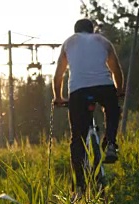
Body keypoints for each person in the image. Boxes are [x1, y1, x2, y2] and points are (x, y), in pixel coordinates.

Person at [53, 18, 125, 194]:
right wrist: (119, 90)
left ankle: (80, 187)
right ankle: (110, 143)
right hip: (104, 87)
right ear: (92, 30)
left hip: (78, 91)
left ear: (76, 31)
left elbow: (58, 75)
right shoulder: (103, 41)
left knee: (77, 138)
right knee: (112, 109)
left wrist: (58, 97)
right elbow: (117, 70)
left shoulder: (69, 42)